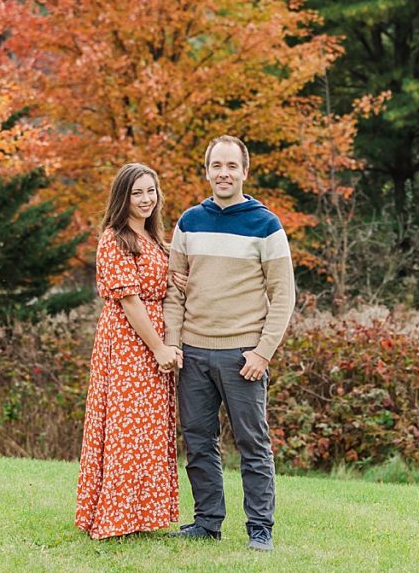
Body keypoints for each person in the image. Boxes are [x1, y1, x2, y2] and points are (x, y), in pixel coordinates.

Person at [164, 135, 295, 551]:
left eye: (231, 166)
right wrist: (172, 345)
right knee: (199, 441)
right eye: (216, 166)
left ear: (244, 171)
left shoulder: (266, 225)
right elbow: (174, 292)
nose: (224, 173)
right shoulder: (188, 222)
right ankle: (207, 521)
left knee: (253, 443)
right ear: (207, 171)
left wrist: (262, 352)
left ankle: (260, 528)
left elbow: (284, 296)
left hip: (243, 356)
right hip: (193, 353)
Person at [75, 163, 184, 540]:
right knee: (125, 428)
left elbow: (160, 281)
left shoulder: (155, 240)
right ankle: (115, 517)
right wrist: (158, 347)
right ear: (123, 197)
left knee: (149, 429)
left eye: (151, 191)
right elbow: (131, 300)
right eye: (137, 192)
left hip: (153, 339)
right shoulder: (114, 238)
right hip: (128, 342)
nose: (146, 199)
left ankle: (141, 515)